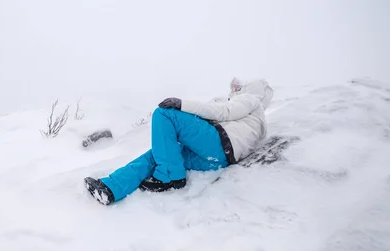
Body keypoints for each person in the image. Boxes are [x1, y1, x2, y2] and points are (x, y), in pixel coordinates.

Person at [84, 78, 274, 205]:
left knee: (163, 114)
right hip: (217, 159)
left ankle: (169, 176)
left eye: (240, 88)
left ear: (251, 89)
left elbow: (224, 112)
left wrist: (181, 104)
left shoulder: (251, 100)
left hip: (217, 143)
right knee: (161, 153)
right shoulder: (257, 124)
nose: (235, 91)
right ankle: (110, 188)